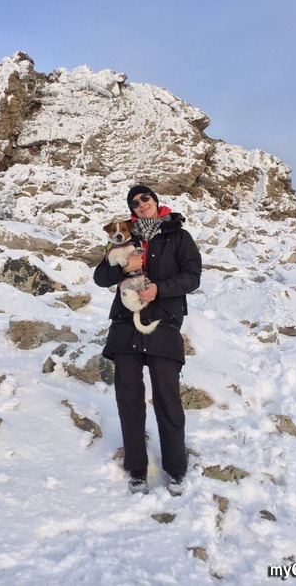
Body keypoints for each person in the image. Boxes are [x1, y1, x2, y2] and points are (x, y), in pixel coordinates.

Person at [94, 185, 202, 495]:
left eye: (145, 198)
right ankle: (137, 469)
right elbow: (100, 277)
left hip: (163, 324)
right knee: (128, 398)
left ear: (155, 200)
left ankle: (176, 469)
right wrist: (123, 269)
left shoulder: (179, 236)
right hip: (126, 325)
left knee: (168, 399)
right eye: (135, 202)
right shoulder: (124, 238)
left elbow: (192, 276)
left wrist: (160, 289)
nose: (141, 204)